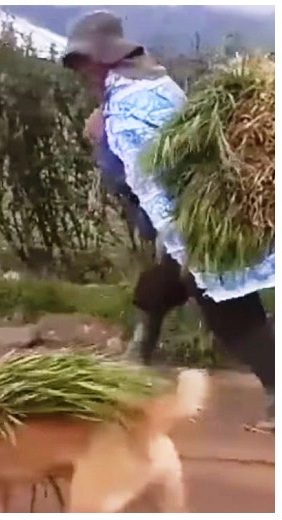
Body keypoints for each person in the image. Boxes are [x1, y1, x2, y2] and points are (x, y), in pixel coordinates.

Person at [61, 11, 275, 431]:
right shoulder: (152, 82)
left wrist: (185, 243)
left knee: (230, 314)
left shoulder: (128, 107)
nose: (82, 71)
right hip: (192, 215)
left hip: (193, 223)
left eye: (84, 61)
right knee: (159, 289)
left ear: (104, 57)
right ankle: (136, 363)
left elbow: (149, 179)